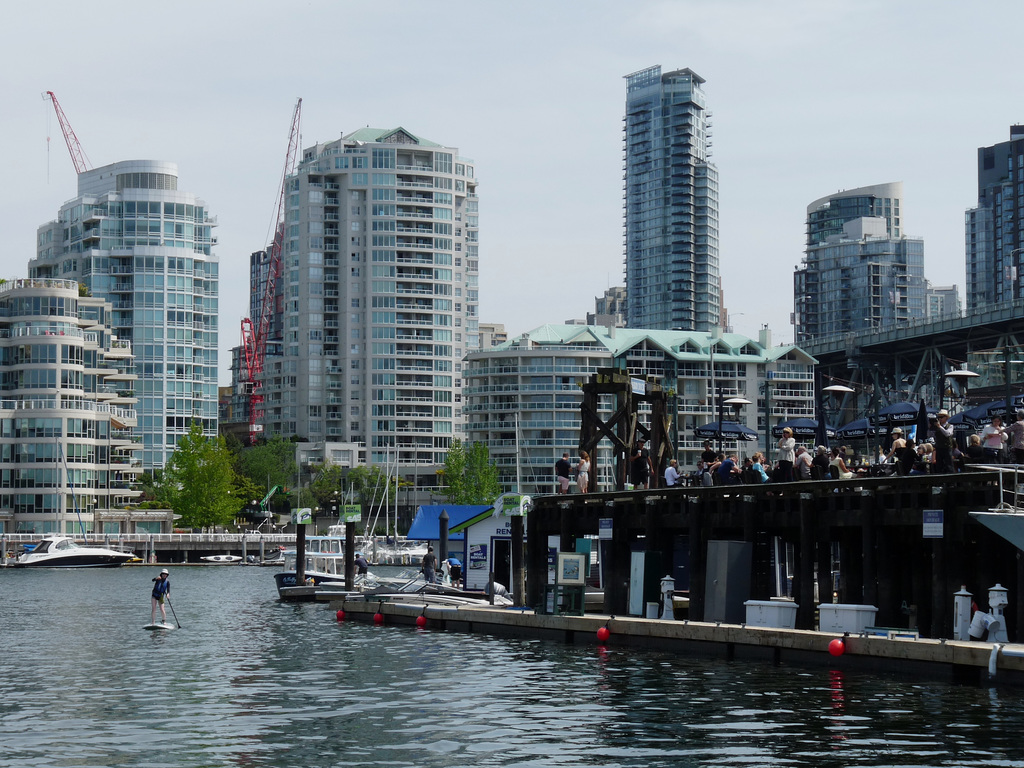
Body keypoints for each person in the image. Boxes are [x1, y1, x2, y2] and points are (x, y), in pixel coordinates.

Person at [932, 409, 955, 473]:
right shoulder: (937, 427)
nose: (940, 419)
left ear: (946, 418)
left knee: (949, 465)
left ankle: (951, 481)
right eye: (939, 417)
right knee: (939, 465)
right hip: (939, 447)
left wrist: (940, 427)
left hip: (947, 448)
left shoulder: (950, 426)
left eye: (941, 417)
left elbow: (947, 434)